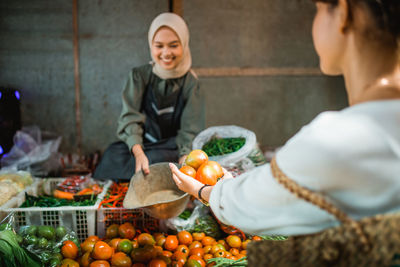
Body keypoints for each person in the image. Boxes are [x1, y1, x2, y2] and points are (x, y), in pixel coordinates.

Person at [170, 0, 400, 236]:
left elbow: (253, 202)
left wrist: (205, 191)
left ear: (343, 12)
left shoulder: (335, 140)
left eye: (318, 9)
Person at [94, 13, 205, 180]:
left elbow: (190, 130)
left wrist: (185, 160)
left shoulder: (191, 83)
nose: (166, 53)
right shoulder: (139, 76)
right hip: (144, 145)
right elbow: (130, 117)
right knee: (112, 155)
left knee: (160, 161)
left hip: (173, 148)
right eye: (159, 46)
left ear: (184, 44)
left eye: (174, 45)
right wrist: (138, 153)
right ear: (150, 46)